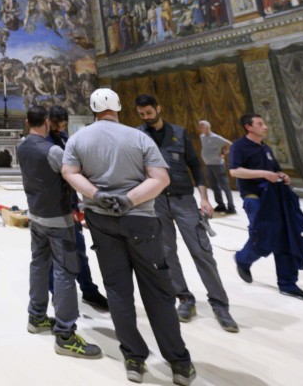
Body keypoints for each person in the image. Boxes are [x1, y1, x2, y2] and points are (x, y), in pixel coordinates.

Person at [62, 89, 195, 386]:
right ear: (119, 107)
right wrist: (129, 200)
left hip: (101, 219)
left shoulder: (78, 139)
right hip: (141, 221)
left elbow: (69, 172)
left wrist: (98, 194)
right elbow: (161, 178)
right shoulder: (139, 138)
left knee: (118, 291)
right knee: (158, 292)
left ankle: (134, 359)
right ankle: (179, 364)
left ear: (93, 109)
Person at [135, 95, 238, 334]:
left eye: (149, 112)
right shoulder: (138, 135)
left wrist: (204, 197)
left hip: (184, 199)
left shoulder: (179, 133)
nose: (146, 117)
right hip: (156, 201)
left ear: (158, 108)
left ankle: (220, 304)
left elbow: (194, 166)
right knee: (167, 252)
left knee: (201, 251)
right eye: (141, 114)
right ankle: (184, 298)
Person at [18, 105, 103, 360]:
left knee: (39, 265)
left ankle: (36, 316)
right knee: (65, 272)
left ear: (26, 121)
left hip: (35, 217)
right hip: (58, 219)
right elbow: (72, 176)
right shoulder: (53, 150)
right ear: (45, 121)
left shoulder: (21, 146)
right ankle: (66, 335)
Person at [229, 114, 303, 302]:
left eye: (265, 123)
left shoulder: (266, 148)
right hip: (255, 197)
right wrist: (262, 174)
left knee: (285, 236)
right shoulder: (239, 146)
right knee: (263, 237)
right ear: (248, 127)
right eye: (260, 124)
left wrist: (282, 175)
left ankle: (288, 284)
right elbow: (235, 171)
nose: (265, 127)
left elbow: (275, 170)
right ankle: (243, 259)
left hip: (274, 197)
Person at [46, 106, 109, 311]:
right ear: (48, 121)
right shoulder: (43, 142)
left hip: (69, 203)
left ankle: (89, 291)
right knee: (53, 256)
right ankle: (57, 294)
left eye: (63, 125)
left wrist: (77, 203)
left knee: (79, 250)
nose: (60, 129)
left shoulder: (65, 138)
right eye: (56, 125)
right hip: (51, 206)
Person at [198, 120, 235, 214]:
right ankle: (220, 205)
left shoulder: (215, 137)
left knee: (225, 186)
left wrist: (223, 153)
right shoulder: (202, 137)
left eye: (201, 126)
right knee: (214, 186)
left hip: (218, 165)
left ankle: (231, 207)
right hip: (208, 165)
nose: (199, 128)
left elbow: (230, 144)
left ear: (207, 127)